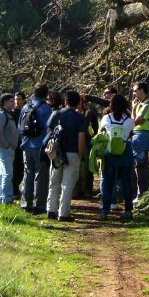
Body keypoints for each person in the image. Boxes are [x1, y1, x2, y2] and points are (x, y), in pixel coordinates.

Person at [45, 90, 90, 222]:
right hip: (72, 152)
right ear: (78, 103)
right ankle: (63, 213)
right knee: (67, 184)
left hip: (57, 152)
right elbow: (81, 139)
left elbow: (49, 131)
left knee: (54, 182)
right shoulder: (80, 118)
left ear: (65, 101)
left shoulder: (56, 114)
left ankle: (51, 210)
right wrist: (81, 155)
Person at [98, 93, 135, 221]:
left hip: (110, 152)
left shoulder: (106, 118)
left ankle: (105, 210)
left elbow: (103, 132)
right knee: (126, 183)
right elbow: (130, 134)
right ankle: (128, 210)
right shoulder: (129, 121)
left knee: (108, 182)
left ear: (111, 105)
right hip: (125, 152)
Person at [19, 84, 53, 214]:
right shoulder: (46, 109)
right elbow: (48, 129)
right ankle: (39, 205)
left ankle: (25, 202)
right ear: (46, 94)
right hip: (40, 146)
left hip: (26, 145)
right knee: (41, 176)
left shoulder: (26, 107)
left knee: (28, 173)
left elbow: (20, 127)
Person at [131, 81, 149, 205]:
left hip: (142, 135)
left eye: (135, 90)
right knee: (138, 165)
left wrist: (133, 109)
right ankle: (140, 192)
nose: (134, 93)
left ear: (142, 90)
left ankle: (142, 194)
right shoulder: (140, 104)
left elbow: (136, 121)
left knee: (141, 165)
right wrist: (133, 108)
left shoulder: (148, 104)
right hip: (138, 134)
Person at [0, 93, 19, 204]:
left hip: (8, 149)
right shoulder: (1, 114)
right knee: (8, 173)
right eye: (12, 101)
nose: (14, 103)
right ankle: (7, 198)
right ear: (5, 102)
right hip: (3, 149)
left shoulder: (8, 114)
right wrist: (7, 145)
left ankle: (1, 197)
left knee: (3, 173)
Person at [11, 91, 26, 202]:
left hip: (22, 143)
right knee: (15, 167)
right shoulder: (12, 112)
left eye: (19, 99)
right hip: (14, 143)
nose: (17, 101)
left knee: (20, 167)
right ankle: (14, 189)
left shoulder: (25, 111)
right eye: (16, 99)